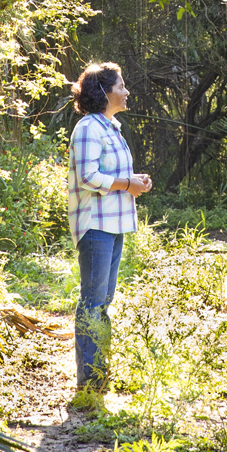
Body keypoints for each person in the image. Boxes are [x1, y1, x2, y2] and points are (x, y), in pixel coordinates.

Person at [67, 60, 151, 398]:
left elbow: (111, 176)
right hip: (96, 226)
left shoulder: (108, 126)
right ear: (104, 92)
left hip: (113, 226)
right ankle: (89, 382)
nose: (126, 91)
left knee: (103, 301)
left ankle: (98, 376)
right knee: (93, 301)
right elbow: (88, 177)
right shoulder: (89, 128)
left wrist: (134, 182)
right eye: (121, 86)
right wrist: (126, 183)